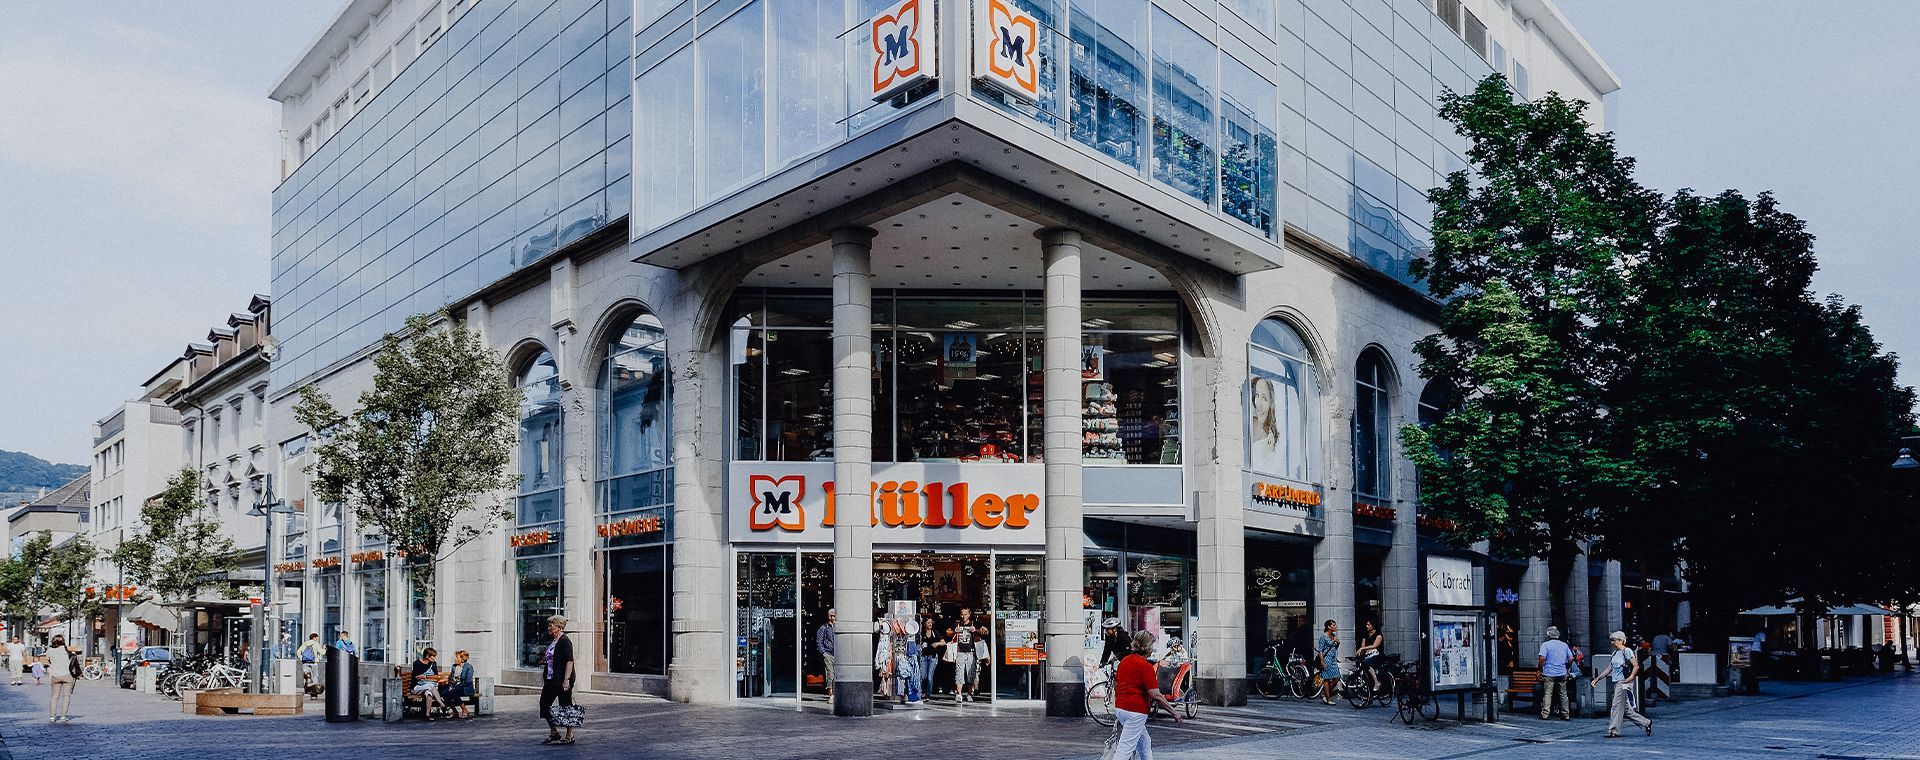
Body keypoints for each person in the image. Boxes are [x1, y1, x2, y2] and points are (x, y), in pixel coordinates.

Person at [1110, 630, 1180, 760]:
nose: (1152, 649)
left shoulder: (1124, 662)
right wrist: (1173, 712)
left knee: (1144, 742)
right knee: (1125, 748)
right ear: (1146, 647)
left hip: (1121, 709)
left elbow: (1116, 684)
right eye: (1152, 645)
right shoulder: (1145, 666)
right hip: (1136, 711)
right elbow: (1155, 694)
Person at [1591, 630, 1652, 739]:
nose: (1612, 643)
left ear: (1620, 641)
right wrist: (1598, 678)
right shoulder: (1615, 653)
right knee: (1626, 710)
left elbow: (1636, 665)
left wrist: (1631, 677)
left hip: (1623, 682)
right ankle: (1646, 722)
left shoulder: (1627, 651)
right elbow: (1609, 668)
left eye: (1613, 640)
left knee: (1616, 706)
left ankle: (1613, 730)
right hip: (1617, 682)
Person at [540, 615, 577, 745]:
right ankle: (554, 732)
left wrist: (566, 680)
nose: (549, 628)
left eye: (551, 625)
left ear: (559, 627)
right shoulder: (554, 641)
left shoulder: (564, 641)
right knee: (544, 704)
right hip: (551, 679)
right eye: (549, 625)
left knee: (566, 706)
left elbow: (569, 661)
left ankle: (569, 735)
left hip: (562, 680)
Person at [950, 608, 986, 703]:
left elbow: (986, 631)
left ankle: (970, 693)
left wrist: (976, 630)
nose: (963, 616)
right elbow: (947, 632)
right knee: (959, 673)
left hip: (971, 652)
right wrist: (954, 631)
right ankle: (959, 693)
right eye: (962, 614)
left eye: (965, 614)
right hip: (960, 652)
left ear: (969, 614)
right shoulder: (957, 624)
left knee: (971, 674)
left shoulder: (974, 623)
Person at [1538, 625, 1573, 720]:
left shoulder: (1545, 645)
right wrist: (1567, 666)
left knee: (1548, 693)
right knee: (1563, 694)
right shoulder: (1564, 645)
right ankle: (1566, 714)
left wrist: (1541, 667)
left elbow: (1542, 658)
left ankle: (1545, 714)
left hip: (1549, 673)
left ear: (1548, 635)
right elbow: (1571, 658)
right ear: (1558, 635)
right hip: (1562, 672)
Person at [410, 647, 447, 720]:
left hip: (429, 687)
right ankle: (441, 703)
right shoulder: (417, 663)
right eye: (433, 656)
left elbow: (435, 676)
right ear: (427, 656)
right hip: (417, 687)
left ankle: (427, 715)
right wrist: (427, 677)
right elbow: (417, 677)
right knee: (430, 686)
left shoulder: (433, 664)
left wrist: (426, 677)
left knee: (429, 692)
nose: (434, 658)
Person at [46, 635, 77, 723]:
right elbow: (78, 649)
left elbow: (48, 662)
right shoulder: (66, 649)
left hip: (55, 676)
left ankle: (52, 716)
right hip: (67, 675)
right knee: (66, 696)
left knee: (54, 696)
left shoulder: (49, 651)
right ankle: (63, 716)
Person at [441, 650, 477, 719]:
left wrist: (456, 686)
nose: (455, 659)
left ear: (463, 659)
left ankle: (464, 709)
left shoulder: (468, 667)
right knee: (444, 693)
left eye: (457, 657)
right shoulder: (454, 667)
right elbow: (450, 677)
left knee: (452, 692)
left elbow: (468, 681)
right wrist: (450, 681)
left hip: (466, 688)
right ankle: (455, 711)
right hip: (455, 687)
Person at [916, 615, 943, 700]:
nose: (930, 624)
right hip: (923, 657)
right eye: (928, 622)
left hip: (932, 657)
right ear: (924, 624)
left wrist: (937, 643)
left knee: (929, 677)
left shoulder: (935, 632)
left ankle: (927, 694)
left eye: (931, 622)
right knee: (923, 676)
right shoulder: (921, 633)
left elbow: (943, 642)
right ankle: (922, 691)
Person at [1315, 619, 1341, 705]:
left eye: (1335, 625)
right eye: (1333, 625)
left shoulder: (1334, 636)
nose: (1335, 626)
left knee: (1337, 677)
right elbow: (1321, 651)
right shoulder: (1323, 637)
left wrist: (1338, 643)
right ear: (1328, 627)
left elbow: (1334, 648)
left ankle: (1324, 693)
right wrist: (1322, 661)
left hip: (1333, 660)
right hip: (1326, 659)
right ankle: (1328, 698)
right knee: (1326, 679)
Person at [1356, 620, 1386, 692]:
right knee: (1359, 662)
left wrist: (1363, 648)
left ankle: (1376, 682)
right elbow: (1363, 645)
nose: (1367, 626)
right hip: (1368, 654)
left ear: (1373, 625)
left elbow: (1375, 645)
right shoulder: (1365, 634)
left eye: (1369, 625)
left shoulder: (1378, 635)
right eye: (1367, 624)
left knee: (1366, 663)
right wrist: (1362, 649)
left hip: (1378, 655)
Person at [815, 608, 836, 699]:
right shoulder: (823, 628)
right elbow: (819, 641)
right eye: (833, 616)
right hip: (828, 654)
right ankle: (831, 694)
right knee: (830, 674)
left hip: (837, 654)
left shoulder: (837, 627)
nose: (835, 618)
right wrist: (823, 653)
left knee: (837, 675)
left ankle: (836, 693)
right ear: (830, 616)